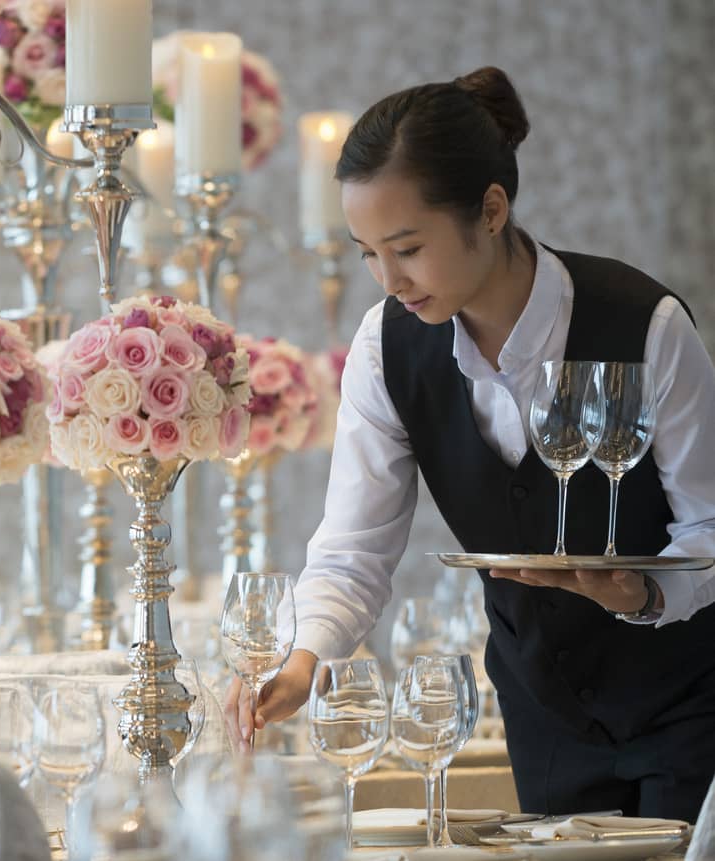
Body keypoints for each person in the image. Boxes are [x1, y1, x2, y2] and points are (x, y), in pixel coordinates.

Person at [226, 66, 715, 820]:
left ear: (491, 210)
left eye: (408, 247)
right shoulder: (385, 348)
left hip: (691, 707)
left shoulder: (646, 324)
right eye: (365, 253)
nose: (388, 278)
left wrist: (646, 591)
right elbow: (355, 547)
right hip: (546, 718)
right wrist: (302, 661)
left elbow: (710, 526)